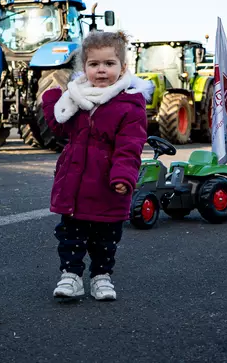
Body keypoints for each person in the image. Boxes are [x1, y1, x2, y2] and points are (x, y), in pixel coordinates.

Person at [41, 31, 154, 301]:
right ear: (84, 67)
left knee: (105, 237)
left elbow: (130, 146)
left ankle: (102, 277)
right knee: (70, 235)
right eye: (94, 64)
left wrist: (124, 177)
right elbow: (59, 128)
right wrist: (50, 102)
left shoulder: (129, 105)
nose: (101, 70)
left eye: (109, 64)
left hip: (108, 183)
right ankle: (71, 276)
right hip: (74, 183)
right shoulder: (75, 97)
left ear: (123, 67)